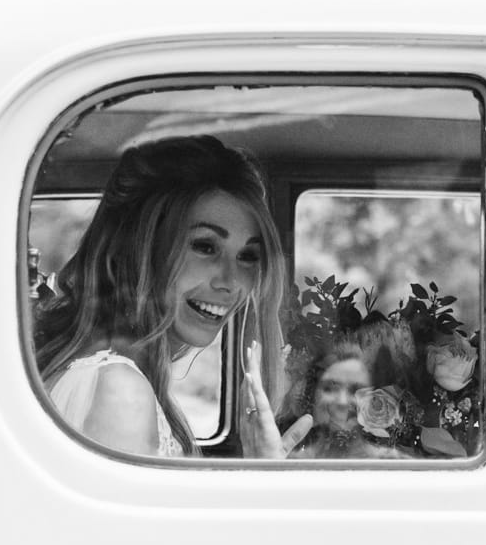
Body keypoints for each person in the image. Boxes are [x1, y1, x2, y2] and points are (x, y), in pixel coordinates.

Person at [35, 135, 309, 458]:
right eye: (205, 247)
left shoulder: (120, 376)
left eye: (247, 256)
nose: (231, 282)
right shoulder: (121, 392)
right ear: (143, 249)